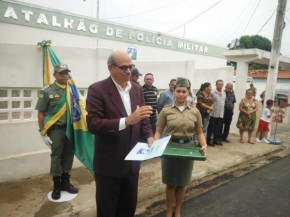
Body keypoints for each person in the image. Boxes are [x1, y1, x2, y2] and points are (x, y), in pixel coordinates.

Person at [86, 51, 154, 217]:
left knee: (128, 207)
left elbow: (144, 119)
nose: (129, 71)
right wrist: (127, 121)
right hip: (109, 164)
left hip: (132, 163)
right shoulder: (97, 89)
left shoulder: (137, 89)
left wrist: (150, 136)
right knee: (107, 209)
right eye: (124, 67)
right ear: (110, 67)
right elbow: (93, 124)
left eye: (131, 67)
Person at [154, 78, 207, 217]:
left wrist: (204, 144)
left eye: (184, 91)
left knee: (182, 183)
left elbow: (199, 132)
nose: (181, 94)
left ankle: (177, 211)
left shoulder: (195, 112)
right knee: (170, 183)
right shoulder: (166, 111)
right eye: (178, 91)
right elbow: (158, 130)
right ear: (174, 91)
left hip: (188, 147)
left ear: (188, 92)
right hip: (170, 146)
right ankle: (168, 211)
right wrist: (155, 145)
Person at [35, 63, 78, 200]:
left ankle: (66, 182)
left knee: (69, 154)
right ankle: (57, 185)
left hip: (70, 129)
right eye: (61, 73)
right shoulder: (47, 91)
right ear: (55, 75)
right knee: (56, 156)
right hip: (56, 130)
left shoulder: (72, 90)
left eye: (66, 72)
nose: (65, 75)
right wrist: (42, 132)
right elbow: (41, 113)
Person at [206, 80, 226, 146]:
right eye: (219, 84)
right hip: (213, 114)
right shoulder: (212, 93)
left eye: (221, 84)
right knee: (211, 128)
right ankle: (209, 141)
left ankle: (216, 140)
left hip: (221, 113)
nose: (220, 85)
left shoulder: (224, 93)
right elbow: (210, 102)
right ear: (216, 85)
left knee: (218, 128)